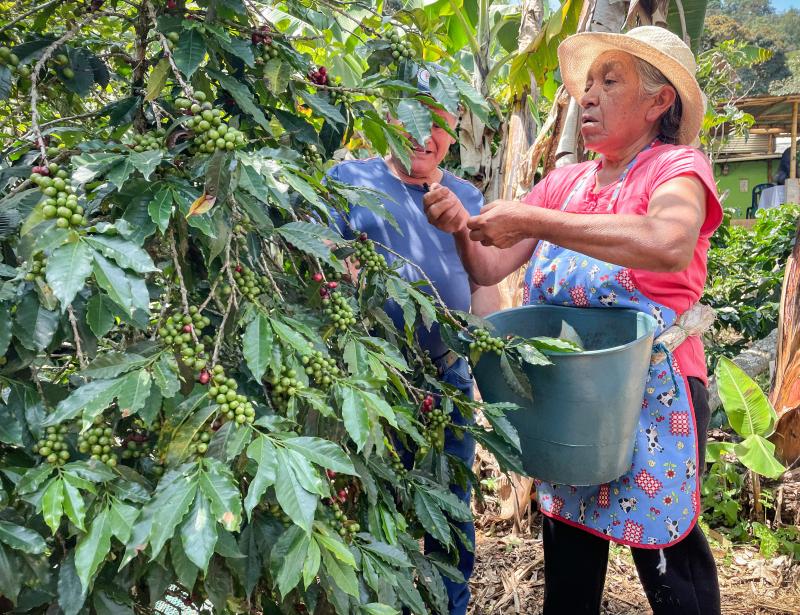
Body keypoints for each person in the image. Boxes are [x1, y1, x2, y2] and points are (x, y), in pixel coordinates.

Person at [423, 26, 723, 615]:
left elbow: (667, 242)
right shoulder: (565, 182)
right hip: (569, 399)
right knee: (570, 558)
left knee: (667, 553)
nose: (587, 96)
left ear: (659, 102)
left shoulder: (677, 168)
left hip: (651, 394)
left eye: (610, 82)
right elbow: (488, 268)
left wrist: (538, 221)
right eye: (587, 85)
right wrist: (461, 225)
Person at [325, 68, 491, 615]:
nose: (424, 132)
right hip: (374, 378)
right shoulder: (346, 178)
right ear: (385, 119)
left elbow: (482, 283)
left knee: (451, 506)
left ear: (452, 131)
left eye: (439, 120)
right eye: (409, 114)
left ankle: (450, 604)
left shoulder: (467, 194)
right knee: (381, 501)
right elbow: (318, 265)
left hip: (449, 379)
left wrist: (492, 370)